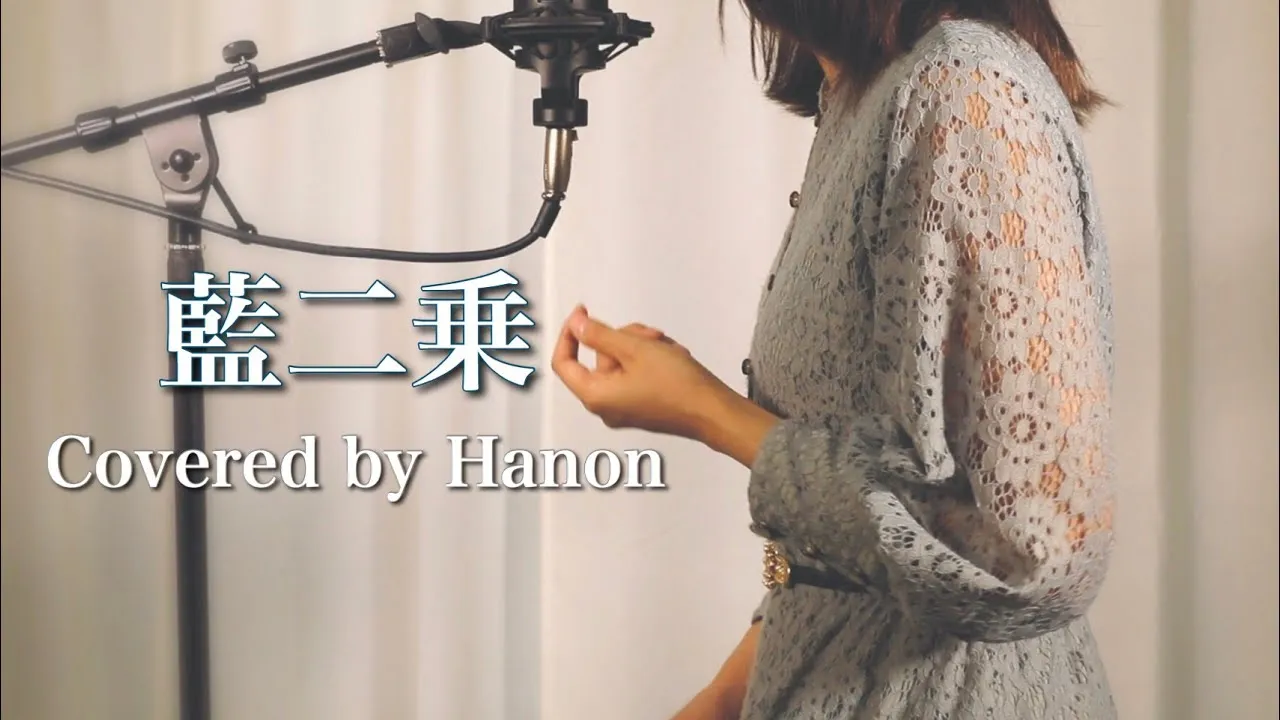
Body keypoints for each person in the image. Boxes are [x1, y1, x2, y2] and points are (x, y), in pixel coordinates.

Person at [552, 0, 1118, 717]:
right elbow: (867, 540)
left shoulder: (963, 88)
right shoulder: (866, 92)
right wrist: (725, 696)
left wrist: (705, 410)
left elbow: (1027, 555)